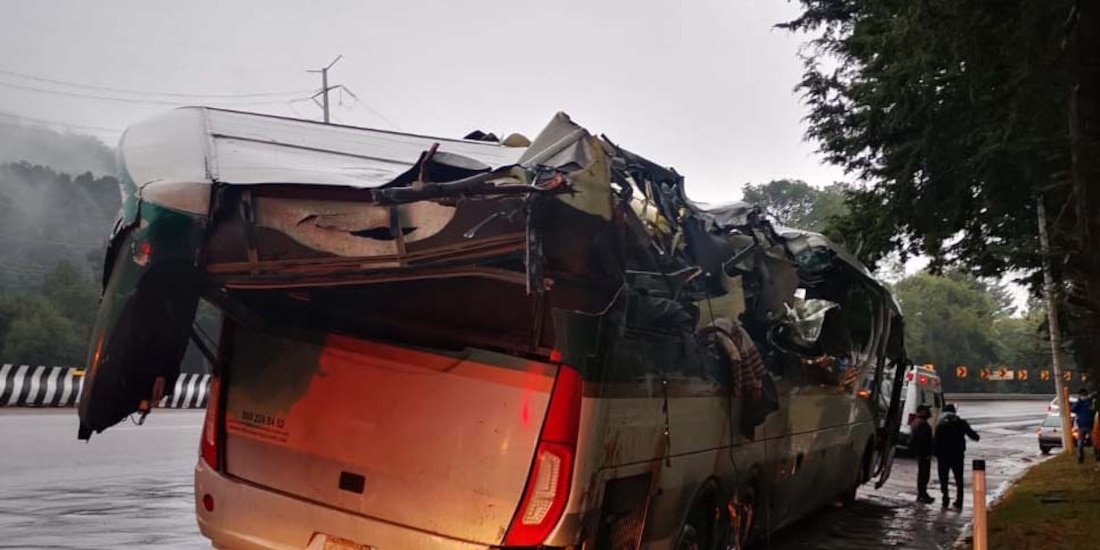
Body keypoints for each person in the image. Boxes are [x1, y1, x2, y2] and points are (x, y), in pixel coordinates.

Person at [934, 403, 979, 510]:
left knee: (943, 478)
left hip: (943, 456)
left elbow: (936, 441)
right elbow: (974, 436)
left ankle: (945, 498)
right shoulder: (961, 423)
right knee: (959, 478)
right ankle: (959, 500)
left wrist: (936, 454)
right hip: (957, 455)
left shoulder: (941, 424)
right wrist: (976, 435)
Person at [911, 405, 935, 504]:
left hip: (921, 453)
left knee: (923, 474)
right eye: (926, 410)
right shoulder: (921, 424)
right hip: (923, 453)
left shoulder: (917, 422)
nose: (929, 412)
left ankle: (922, 494)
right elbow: (922, 441)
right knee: (924, 474)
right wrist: (926, 453)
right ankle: (922, 494)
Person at [1070, 388, 1097, 463]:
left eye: (1084, 395)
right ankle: (1080, 458)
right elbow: (1073, 409)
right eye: (1082, 395)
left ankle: (1097, 456)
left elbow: (1094, 410)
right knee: (1080, 443)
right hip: (1082, 426)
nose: (1083, 396)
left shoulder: (1090, 402)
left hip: (1091, 426)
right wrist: (1079, 402)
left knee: (1095, 442)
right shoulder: (1078, 403)